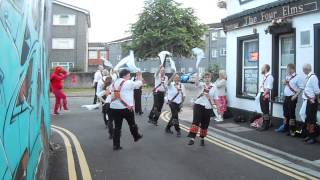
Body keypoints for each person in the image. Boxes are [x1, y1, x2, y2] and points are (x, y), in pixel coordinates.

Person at [110, 69, 143, 150]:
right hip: (126, 108)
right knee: (132, 123)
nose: (129, 76)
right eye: (129, 75)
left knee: (117, 127)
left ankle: (116, 145)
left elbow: (111, 93)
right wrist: (139, 76)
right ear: (125, 75)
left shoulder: (113, 83)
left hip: (114, 107)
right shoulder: (127, 82)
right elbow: (139, 84)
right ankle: (136, 136)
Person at [187, 72, 219, 146]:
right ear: (203, 78)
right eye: (205, 77)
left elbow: (216, 99)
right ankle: (192, 138)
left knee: (205, 124)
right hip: (198, 105)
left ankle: (202, 138)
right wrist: (197, 72)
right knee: (196, 121)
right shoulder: (201, 85)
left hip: (208, 107)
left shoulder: (214, 87)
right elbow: (196, 82)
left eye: (208, 77)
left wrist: (218, 109)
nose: (207, 79)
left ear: (211, 78)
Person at [275, 64, 304, 135]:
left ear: (292, 69)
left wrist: (296, 95)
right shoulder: (288, 76)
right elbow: (287, 85)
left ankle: (292, 129)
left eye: (287, 69)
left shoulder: (298, 77)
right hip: (286, 97)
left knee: (291, 113)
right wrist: (284, 83)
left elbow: (301, 87)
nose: (287, 70)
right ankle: (285, 127)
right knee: (285, 112)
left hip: (292, 97)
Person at [300, 64, 320, 144]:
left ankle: (313, 137)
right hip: (309, 100)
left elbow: (317, 90)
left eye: (303, 69)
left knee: (312, 119)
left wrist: (315, 99)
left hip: (312, 101)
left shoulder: (313, 77)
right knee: (308, 118)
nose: (303, 71)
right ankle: (309, 135)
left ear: (306, 69)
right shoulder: (309, 77)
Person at [165, 73, 186, 137]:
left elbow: (184, 95)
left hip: (178, 103)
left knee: (173, 117)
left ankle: (167, 128)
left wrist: (182, 103)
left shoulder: (182, 85)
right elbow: (168, 83)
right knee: (175, 115)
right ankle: (178, 130)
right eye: (175, 77)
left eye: (177, 77)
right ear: (173, 78)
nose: (177, 79)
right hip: (172, 102)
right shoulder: (171, 84)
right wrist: (173, 75)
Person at [258, 64, 274, 131]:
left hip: (265, 94)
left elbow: (269, 87)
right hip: (262, 93)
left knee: (265, 110)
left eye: (262, 68)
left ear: (266, 69)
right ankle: (265, 123)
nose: (261, 69)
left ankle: (266, 125)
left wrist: (264, 94)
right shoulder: (264, 76)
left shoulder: (269, 77)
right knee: (263, 110)